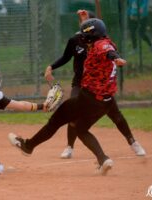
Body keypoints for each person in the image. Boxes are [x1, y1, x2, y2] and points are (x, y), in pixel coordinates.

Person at [9, 18, 128, 176]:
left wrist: (115, 57)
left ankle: (28, 146)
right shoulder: (106, 41)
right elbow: (104, 46)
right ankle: (103, 159)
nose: (82, 38)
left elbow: (106, 50)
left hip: (88, 99)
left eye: (85, 35)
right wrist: (86, 23)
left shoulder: (101, 45)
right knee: (81, 129)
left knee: (55, 120)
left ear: (91, 36)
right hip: (105, 102)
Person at [44, 10, 145, 159]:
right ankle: (69, 147)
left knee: (116, 116)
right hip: (79, 84)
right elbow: (66, 57)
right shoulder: (75, 40)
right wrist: (51, 66)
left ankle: (133, 142)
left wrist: (116, 58)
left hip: (99, 87)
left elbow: (108, 50)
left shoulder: (98, 42)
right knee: (73, 116)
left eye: (88, 23)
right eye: (82, 24)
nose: (84, 27)